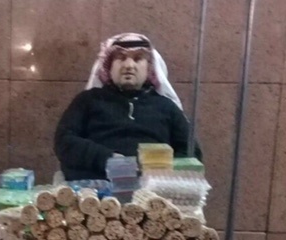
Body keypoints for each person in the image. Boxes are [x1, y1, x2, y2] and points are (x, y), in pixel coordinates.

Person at [54, 33, 202, 181]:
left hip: (152, 190)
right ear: (109, 66)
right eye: (121, 58)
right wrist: (108, 159)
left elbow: (191, 152)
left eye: (138, 59)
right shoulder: (88, 100)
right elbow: (64, 141)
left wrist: (156, 170)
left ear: (149, 68)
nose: (129, 65)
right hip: (94, 187)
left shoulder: (167, 107)